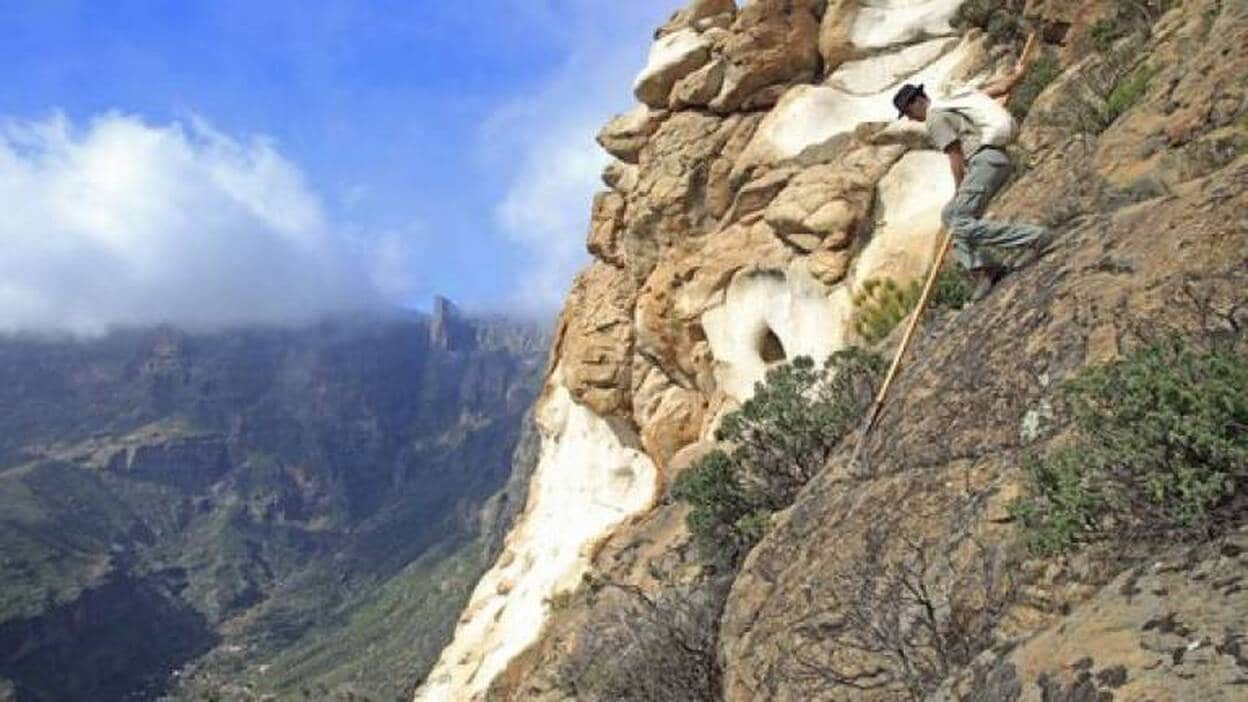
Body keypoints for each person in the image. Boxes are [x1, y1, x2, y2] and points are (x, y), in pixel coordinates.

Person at [892, 35, 1053, 302]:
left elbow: (955, 156)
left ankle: (1033, 237)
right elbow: (1002, 88)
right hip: (994, 160)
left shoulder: (935, 118)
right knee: (949, 216)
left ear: (917, 103)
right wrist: (1019, 75)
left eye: (908, 112)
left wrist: (959, 190)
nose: (910, 118)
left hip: (984, 161)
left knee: (960, 221)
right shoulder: (954, 101)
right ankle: (982, 269)